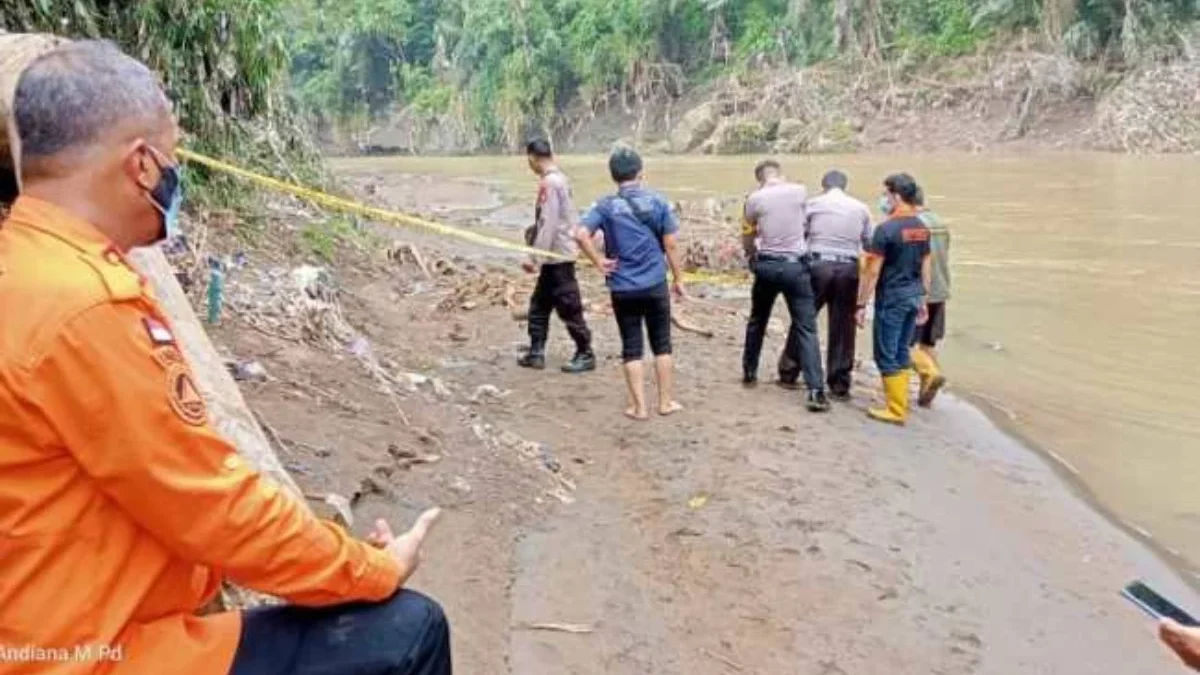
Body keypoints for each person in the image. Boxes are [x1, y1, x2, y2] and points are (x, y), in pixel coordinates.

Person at [0, 41, 450, 675]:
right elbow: (212, 508)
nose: (173, 178)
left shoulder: (23, 266)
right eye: (173, 161)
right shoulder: (85, 307)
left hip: (47, 621)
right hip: (88, 652)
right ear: (142, 165)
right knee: (409, 630)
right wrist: (373, 568)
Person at [575, 146, 685, 420]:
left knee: (631, 345)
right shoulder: (658, 202)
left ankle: (639, 408)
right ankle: (665, 402)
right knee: (662, 344)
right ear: (641, 172)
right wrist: (679, 279)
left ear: (613, 176)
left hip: (623, 287)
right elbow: (671, 245)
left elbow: (580, 234)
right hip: (654, 283)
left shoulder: (605, 205)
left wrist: (598, 261)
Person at [740, 159, 830, 412]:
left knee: (758, 320)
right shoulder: (799, 191)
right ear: (780, 174)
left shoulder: (754, 199)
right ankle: (816, 390)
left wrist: (751, 256)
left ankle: (749, 372)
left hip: (767, 265)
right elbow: (807, 222)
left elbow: (748, 235)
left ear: (760, 178)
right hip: (795, 267)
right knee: (806, 328)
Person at [854, 173, 932, 426]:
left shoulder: (886, 229)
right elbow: (926, 266)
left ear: (896, 196)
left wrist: (861, 303)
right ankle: (900, 403)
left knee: (885, 353)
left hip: (892, 298)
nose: (884, 199)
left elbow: (872, 270)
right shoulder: (921, 227)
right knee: (900, 350)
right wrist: (923, 298)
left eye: (886, 194)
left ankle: (896, 409)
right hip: (913, 296)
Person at [517, 138, 595, 373]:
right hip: (559, 252)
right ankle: (536, 352)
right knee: (539, 305)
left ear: (532, 158)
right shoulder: (561, 179)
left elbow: (547, 223)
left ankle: (585, 352)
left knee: (569, 306)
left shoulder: (549, 183)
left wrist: (535, 256)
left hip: (557, 254)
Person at [802, 169, 872, 401]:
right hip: (848, 269)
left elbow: (801, 234)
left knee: (805, 319)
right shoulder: (861, 208)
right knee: (843, 326)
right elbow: (869, 242)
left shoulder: (812, 204)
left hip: (818, 265)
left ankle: (790, 370)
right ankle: (840, 384)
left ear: (823, 186)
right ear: (845, 186)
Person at [908, 187, 949, 407]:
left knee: (903, 343)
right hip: (940, 290)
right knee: (928, 342)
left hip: (918, 291)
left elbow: (912, 257)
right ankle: (928, 390)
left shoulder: (914, 226)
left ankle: (929, 374)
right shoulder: (940, 222)